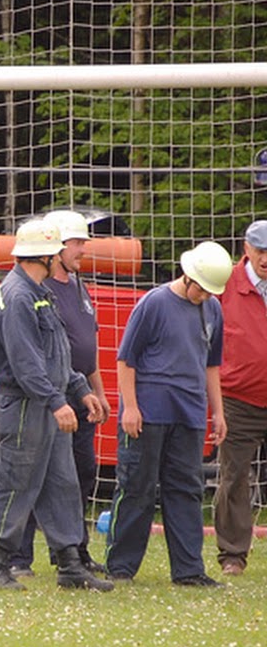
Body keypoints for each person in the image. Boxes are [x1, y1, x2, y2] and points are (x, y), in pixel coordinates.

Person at [0, 218, 111, 591]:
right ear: (43, 255)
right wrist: (57, 400)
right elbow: (25, 362)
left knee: (62, 483)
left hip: (48, 401)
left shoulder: (40, 292)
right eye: (56, 251)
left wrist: (79, 387)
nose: (60, 257)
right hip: (25, 406)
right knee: (14, 482)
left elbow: (57, 353)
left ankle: (70, 565)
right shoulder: (17, 297)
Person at [104, 240, 233, 586]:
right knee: (137, 487)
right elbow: (125, 359)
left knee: (186, 490)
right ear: (187, 276)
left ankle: (189, 571)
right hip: (148, 413)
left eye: (211, 292)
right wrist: (130, 407)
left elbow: (211, 365)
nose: (205, 297)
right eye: (202, 290)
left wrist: (217, 412)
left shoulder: (214, 309)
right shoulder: (154, 303)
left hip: (189, 414)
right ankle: (120, 567)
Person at [214, 220, 267, 576]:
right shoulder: (223, 285)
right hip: (236, 398)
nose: (266, 259)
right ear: (245, 250)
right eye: (261, 251)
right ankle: (233, 554)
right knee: (233, 477)